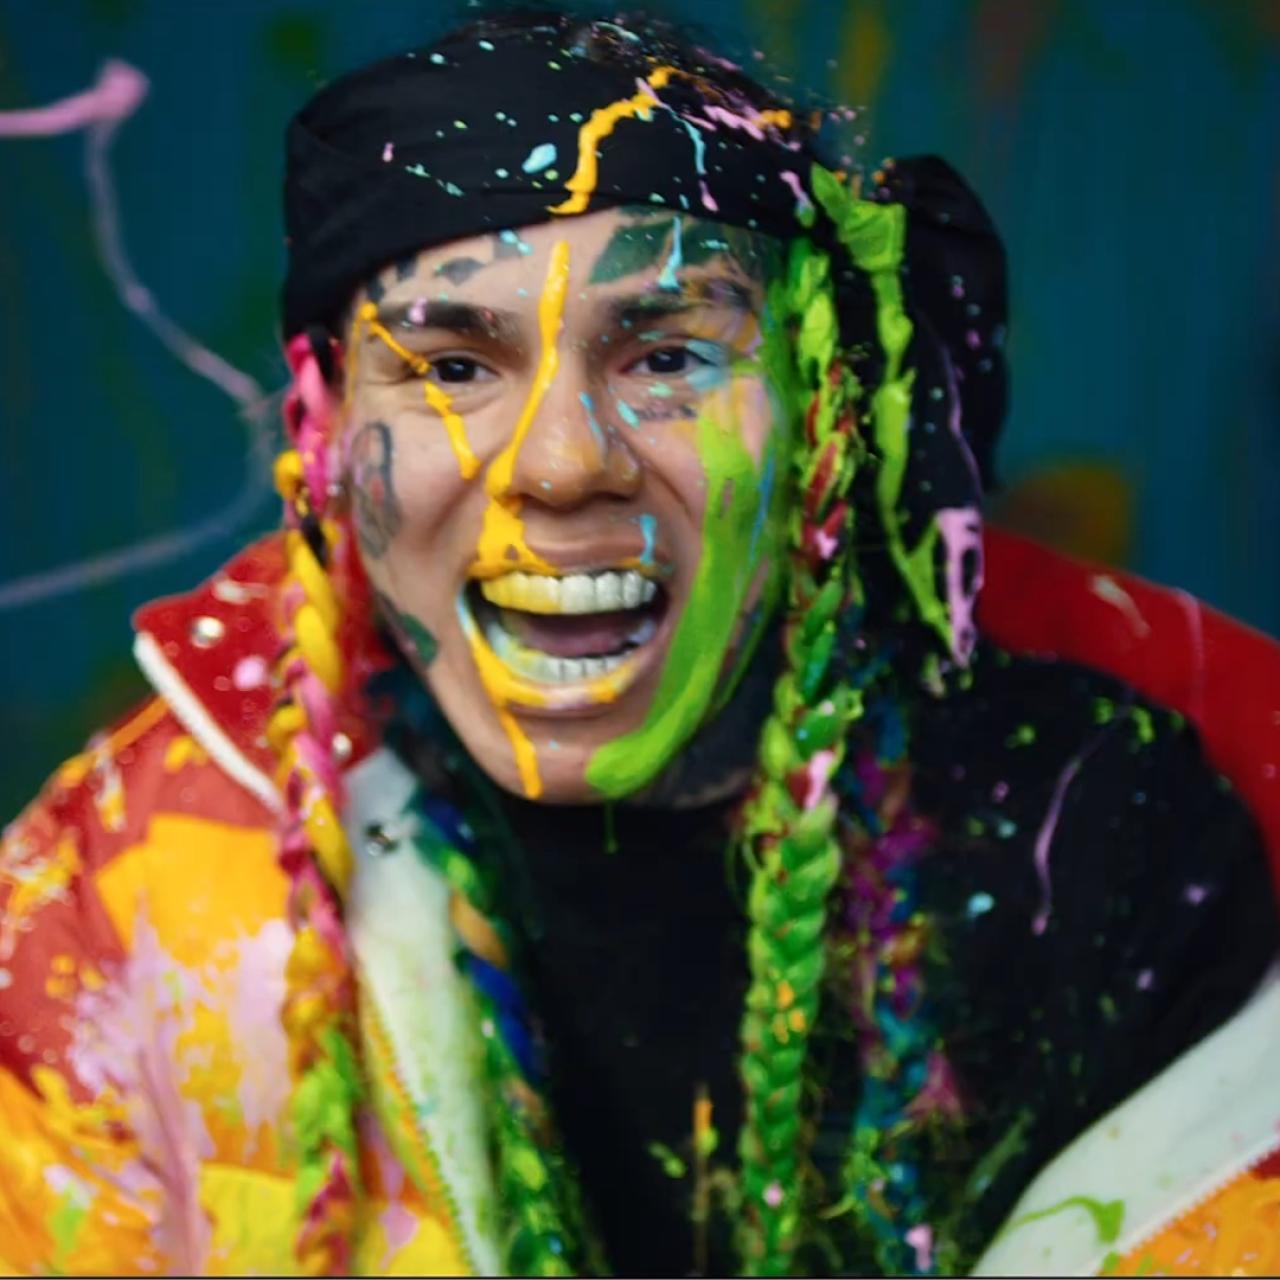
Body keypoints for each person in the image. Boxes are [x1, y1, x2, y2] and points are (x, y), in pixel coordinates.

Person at [1, 10, 1278, 1277]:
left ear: (821, 413)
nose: (560, 465)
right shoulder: (122, 893)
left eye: (666, 355)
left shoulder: (1110, 844)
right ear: (325, 426)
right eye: (450, 366)